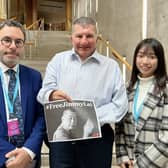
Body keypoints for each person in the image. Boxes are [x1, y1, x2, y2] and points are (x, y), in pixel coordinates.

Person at [37, 16, 128, 168]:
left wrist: (89, 118)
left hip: (97, 139)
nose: (84, 41)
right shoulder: (57, 61)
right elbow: (42, 93)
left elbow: (120, 105)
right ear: (71, 37)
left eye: (89, 36)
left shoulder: (111, 67)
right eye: (79, 36)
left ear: (97, 38)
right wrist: (51, 95)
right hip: (63, 139)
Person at [115, 38, 168, 168]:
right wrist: (123, 157)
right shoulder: (127, 89)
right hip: (129, 163)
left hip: (156, 163)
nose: (145, 61)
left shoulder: (165, 90)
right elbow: (120, 128)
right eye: (141, 56)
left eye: (152, 57)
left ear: (159, 60)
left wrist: (141, 165)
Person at [0, 20, 46, 168]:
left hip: (29, 160)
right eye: (7, 40)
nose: (13, 46)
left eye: (18, 42)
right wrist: (9, 154)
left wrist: (28, 151)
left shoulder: (34, 77)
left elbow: (41, 117)